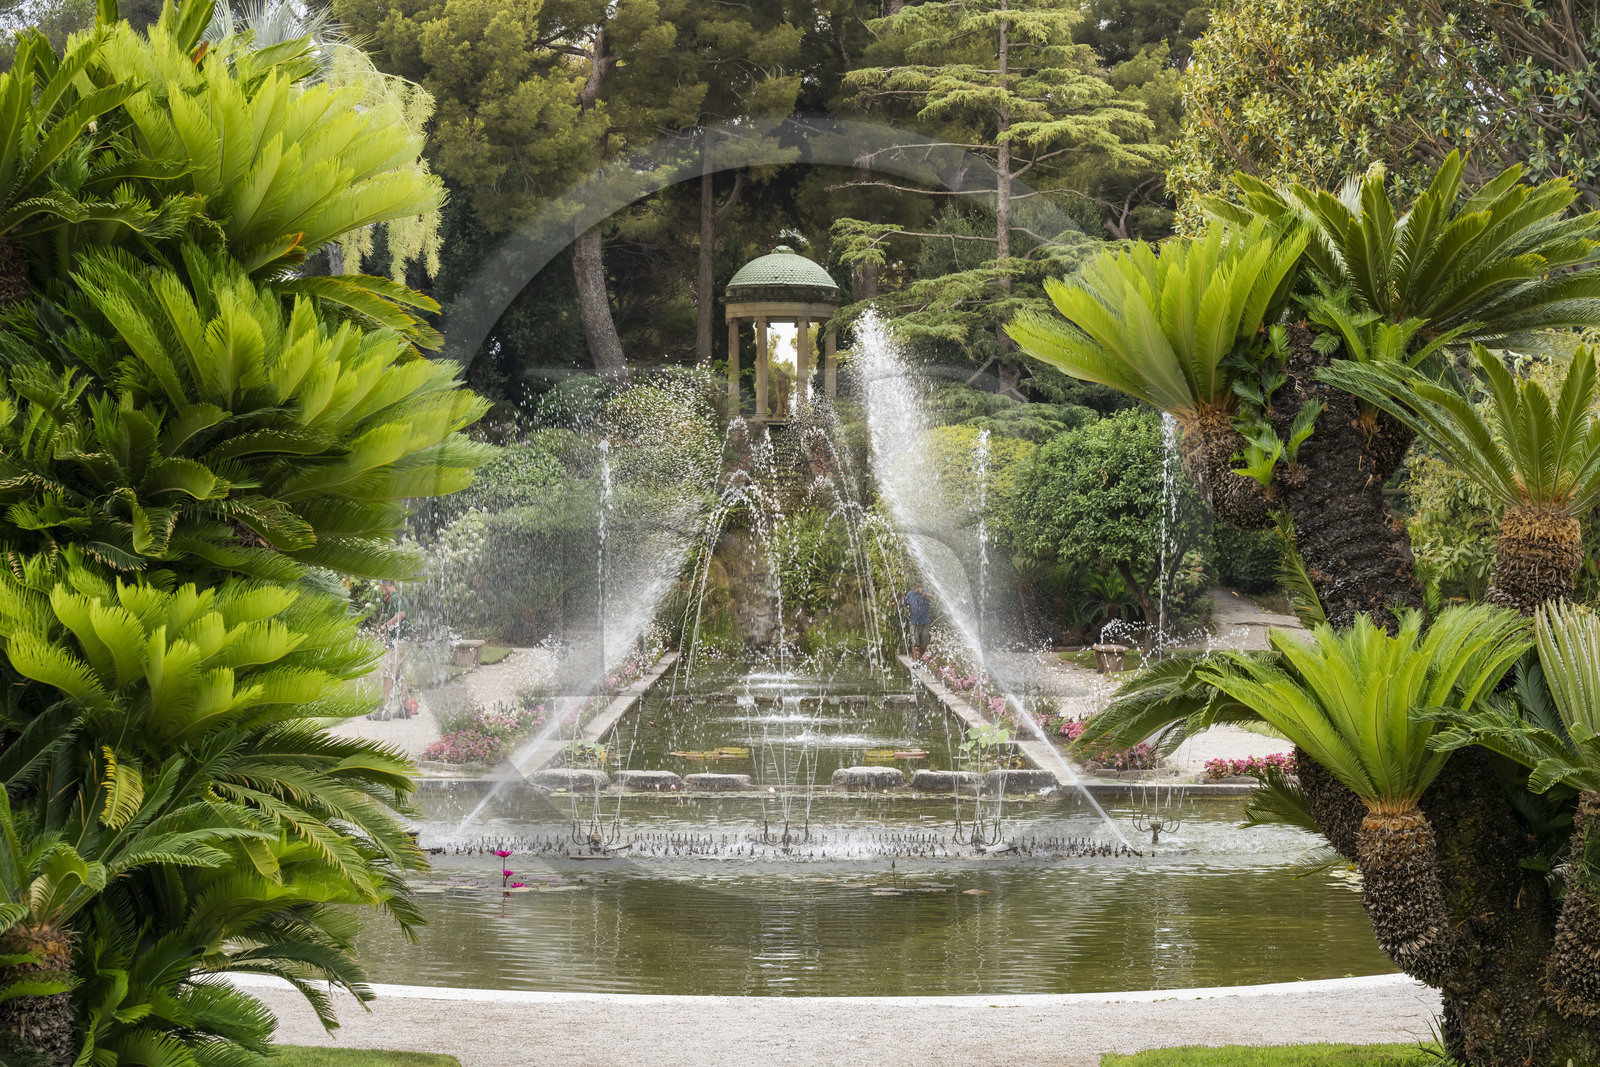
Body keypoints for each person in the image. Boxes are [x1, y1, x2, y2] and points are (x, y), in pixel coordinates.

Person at [372, 579, 412, 720]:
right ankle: (405, 710)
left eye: (382, 586)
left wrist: (385, 626)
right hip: (401, 641)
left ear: (386, 585)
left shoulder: (395, 598)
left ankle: (385, 710)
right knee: (398, 675)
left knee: (388, 672)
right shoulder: (397, 597)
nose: (381, 589)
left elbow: (401, 615)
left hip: (399, 642)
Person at [904, 581, 932, 660]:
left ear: (922, 584)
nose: (918, 585)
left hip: (925, 621)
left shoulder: (926, 592)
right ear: (914, 584)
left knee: (924, 643)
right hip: (914, 622)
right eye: (917, 583)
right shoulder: (910, 594)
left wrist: (922, 593)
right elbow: (905, 602)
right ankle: (915, 661)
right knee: (915, 642)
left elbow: (931, 597)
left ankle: (921, 659)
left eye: (920, 583)